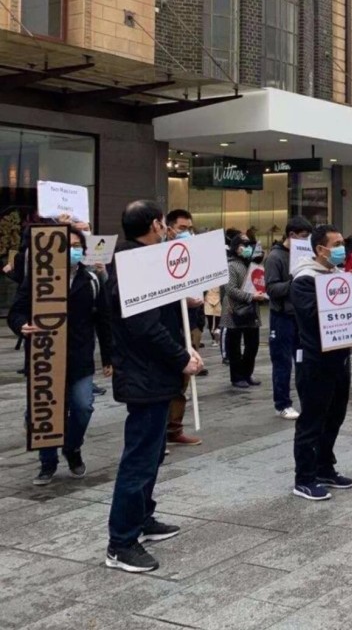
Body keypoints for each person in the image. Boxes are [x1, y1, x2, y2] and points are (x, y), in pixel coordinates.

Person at [105, 201, 204, 573]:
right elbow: (144, 328)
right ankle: (121, 543)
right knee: (140, 458)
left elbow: (159, 316)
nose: (169, 230)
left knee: (152, 453)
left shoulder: (141, 261)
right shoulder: (135, 266)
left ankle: (142, 517)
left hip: (153, 374)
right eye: (164, 224)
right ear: (155, 225)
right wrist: (181, 357)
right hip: (144, 375)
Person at [9, 228, 112, 486]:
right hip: (44, 357)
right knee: (45, 411)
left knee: (83, 406)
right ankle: (47, 462)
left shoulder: (91, 280)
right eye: (69, 245)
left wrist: (109, 357)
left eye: (78, 245)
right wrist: (22, 325)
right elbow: (16, 311)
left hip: (80, 357)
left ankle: (72, 447)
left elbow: (103, 321)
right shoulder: (37, 278)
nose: (74, 250)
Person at [286, 225, 352, 500]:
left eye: (342, 242)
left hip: (341, 357)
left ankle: (325, 467)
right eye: (336, 243)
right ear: (320, 249)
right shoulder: (304, 280)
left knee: (335, 416)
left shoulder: (338, 275)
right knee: (313, 419)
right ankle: (304, 477)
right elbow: (312, 317)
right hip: (316, 359)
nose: (342, 248)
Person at [264, 216, 314, 421]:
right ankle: (282, 403)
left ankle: (306, 398)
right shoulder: (275, 257)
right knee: (282, 361)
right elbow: (272, 288)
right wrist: (294, 282)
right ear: (291, 235)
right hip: (281, 317)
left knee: (303, 360)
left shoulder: (305, 254)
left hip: (300, 316)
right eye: (303, 237)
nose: (306, 241)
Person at [164, 209, 204, 446]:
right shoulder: (160, 254)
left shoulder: (191, 253)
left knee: (185, 375)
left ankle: (174, 428)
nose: (186, 233)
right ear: (169, 228)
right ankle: (160, 432)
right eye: (181, 228)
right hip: (166, 325)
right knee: (165, 380)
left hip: (187, 322)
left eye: (190, 228)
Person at [222, 233, 267, 388]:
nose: (248, 248)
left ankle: (247, 373)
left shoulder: (252, 264)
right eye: (244, 245)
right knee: (234, 347)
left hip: (251, 311)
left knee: (252, 345)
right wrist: (251, 296)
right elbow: (231, 290)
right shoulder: (231, 265)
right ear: (236, 247)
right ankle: (237, 376)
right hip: (234, 310)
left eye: (249, 245)